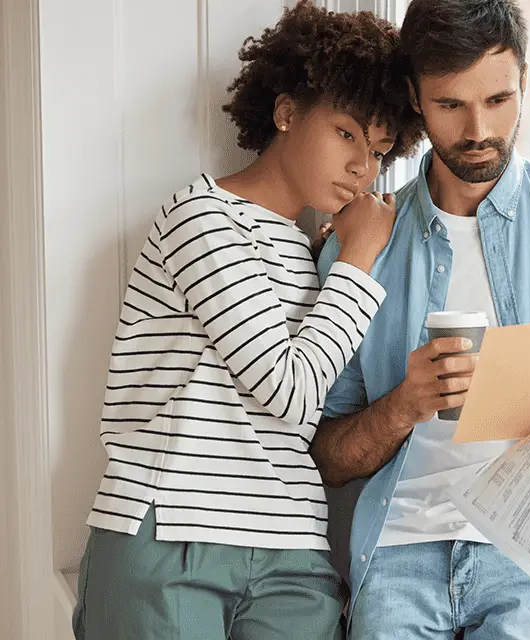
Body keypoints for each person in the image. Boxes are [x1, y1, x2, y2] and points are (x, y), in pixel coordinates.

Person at [310, 0, 530, 638]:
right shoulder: (361, 244)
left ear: (524, 79)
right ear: (415, 98)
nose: (479, 128)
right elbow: (327, 457)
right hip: (400, 550)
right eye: (451, 105)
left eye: (499, 100)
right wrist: (402, 407)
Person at [72, 3, 422, 639]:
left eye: (377, 151)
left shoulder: (313, 249)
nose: (362, 168)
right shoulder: (202, 217)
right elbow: (287, 390)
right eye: (346, 134)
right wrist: (362, 257)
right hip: (171, 536)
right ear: (286, 112)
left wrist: (343, 259)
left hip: (292, 550)